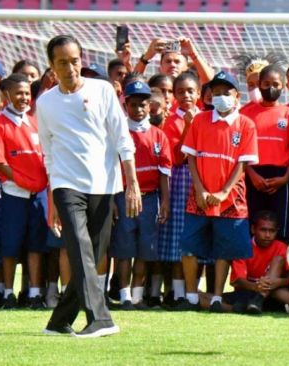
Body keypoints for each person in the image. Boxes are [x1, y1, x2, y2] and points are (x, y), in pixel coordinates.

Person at [37, 35, 140, 338]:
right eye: (62, 62)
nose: (70, 67)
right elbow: (49, 153)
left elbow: (123, 138)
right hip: (67, 185)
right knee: (80, 248)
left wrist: (131, 182)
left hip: (105, 184)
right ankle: (101, 318)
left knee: (92, 256)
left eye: (74, 60)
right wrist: (54, 199)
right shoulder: (44, 103)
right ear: (51, 66)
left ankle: (59, 322)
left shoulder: (103, 90)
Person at [174, 70, 258, 312]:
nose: (221, 97)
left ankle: (217, 298)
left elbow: (242, 163)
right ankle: (191, 297)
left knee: (224, 250)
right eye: (216, 93)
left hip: (231, 199)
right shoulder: (200, 120)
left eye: (226, 93)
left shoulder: (246, 125)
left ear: (237, 96)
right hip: (198, 197)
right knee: (189, 247)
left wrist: (223, 192)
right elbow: (190, 157)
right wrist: (200, 190)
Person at [0, 73, 49, 309]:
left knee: (36, 245)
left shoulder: (35, 121)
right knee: (10, 246)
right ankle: (8, 293)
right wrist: (22, 180)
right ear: (7, 95)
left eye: (26, 93)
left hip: (38, 193)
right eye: (18, 93)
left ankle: (34, 293)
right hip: (14, 193)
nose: (23, 97)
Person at [111, 81, 171, 310]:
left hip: (150, 199)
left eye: (142, 105)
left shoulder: (159, 135)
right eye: (133, 104)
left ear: (150, 106)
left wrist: (164, 201)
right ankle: (124, 295)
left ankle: (137, 296)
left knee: (146, 250)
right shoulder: (118, 134)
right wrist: (112, 201)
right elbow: (111, 169)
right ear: (125, 105)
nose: (138, 109)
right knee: (124, 249)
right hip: (124, 198)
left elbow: (164, 172)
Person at [158, 72, 202, 306]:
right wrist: (188, 127)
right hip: (179, 179)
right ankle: (177, 293)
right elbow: (175, 157)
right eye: (181, 91)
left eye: (190, 91)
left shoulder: (206, 117)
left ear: (198, 93)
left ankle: (194, 290)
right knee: (177, 238)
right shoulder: (170, 121)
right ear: (174, 95)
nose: (186, 95)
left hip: (201, 180)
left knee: (195, 237)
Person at [241, 64, 289, 240]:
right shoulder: (246, 113)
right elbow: (238, 151)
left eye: (276, 84)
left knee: (281, 226)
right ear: (259, 84)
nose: (271, 88)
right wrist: (251, 174)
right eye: (266, 84)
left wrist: (286, 178)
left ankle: (279, 264)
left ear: (282, 86)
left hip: (281, 178)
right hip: (252, 176)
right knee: (251, 224)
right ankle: (250, 264)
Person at [217, 210, 289, 314]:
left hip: (272, 293)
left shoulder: (282, 248)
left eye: (272, 231)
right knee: (208, 298)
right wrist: (256, 287)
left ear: (277, 231)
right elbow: (238, 281)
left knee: (278, 261)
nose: (268, 235)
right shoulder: (244, 247)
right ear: (253, 229)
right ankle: (235, 308)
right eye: (263, 230)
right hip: (247, 292)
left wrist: (279, 282)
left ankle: (258, 300)